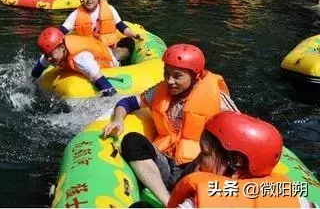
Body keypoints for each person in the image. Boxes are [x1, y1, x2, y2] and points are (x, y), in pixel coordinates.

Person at [101, 44, 237, 206]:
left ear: (196, 75)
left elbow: (238, 131)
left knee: (213, 161)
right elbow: (127, 102)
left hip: (195, 164)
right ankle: (168, 202)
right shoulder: (161, 90)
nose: (170, 81)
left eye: (177, 76)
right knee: (132, 141)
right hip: (164, 161)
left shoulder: (217, 98)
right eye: (167, 73)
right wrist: (118, 119)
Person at [167, 111, 317, 208]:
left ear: (236, 161)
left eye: (205, 153)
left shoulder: (198, 202)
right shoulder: (297, 199)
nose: (198, 160)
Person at [31, 27, 122, 96]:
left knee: (121, 54)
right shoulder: (52, 52)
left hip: (109, 59)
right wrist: (31, 84)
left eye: (51, 55)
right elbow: (37, 69)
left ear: (62, 47)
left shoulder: (81, 59)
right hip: (95, 46)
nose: (48, 58)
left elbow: (102, 82)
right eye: (46, 55)